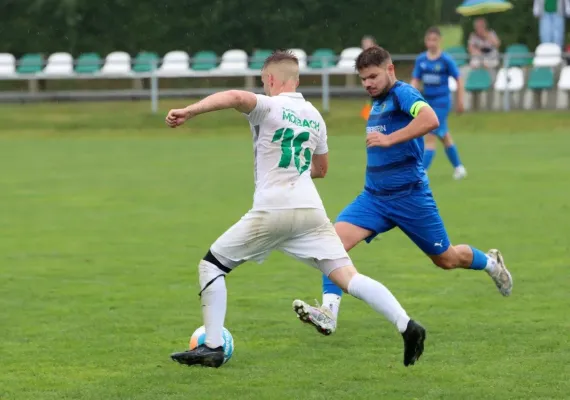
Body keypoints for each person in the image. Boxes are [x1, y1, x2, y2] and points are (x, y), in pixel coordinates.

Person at [165, 51, 426, 368]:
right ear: (297, 80)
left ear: (271, 80)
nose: (264, 87)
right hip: (310, 210)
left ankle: (214, 346)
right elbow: (321, 168)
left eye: (264, 82)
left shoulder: (269, 106)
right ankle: (406, 325)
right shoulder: (315, 116)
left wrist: (190, 112)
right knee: (348, 277)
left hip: (273, 209)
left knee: (211, 266)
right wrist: (295, 170)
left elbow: (234, 96)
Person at [292, 46, 513, 337]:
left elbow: (431, 119)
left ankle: (491, 263)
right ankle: (329, 313)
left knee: (446, 259)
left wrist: (389, 139)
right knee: (331, 245)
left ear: (390, 70)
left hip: (410, 198)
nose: (368, 83)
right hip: (373, 199)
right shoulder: (377, 101)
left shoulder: (402, 94)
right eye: (363, 79)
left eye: (373, 76)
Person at [411, 27, 467, 180]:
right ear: (425, 41)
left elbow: (459, 79)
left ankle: (421, 173)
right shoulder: (421, 60)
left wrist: (460, 100)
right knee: (444, 135)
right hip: (427, 102)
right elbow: (415, 80)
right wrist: (408, 97)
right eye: (429, 40)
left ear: (440, 41)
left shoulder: (446, 60)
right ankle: (459, 168)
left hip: (442, 102)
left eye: (434, 40)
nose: (431, 43)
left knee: (430, 134)